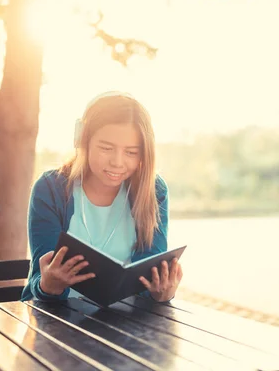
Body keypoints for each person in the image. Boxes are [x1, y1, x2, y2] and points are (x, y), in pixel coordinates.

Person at [20, 91, 183, 303]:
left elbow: (149, 282)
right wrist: (49, 285)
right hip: (57, 317)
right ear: (83, 141)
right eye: (106, 148)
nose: (117, 162)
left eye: (131, 152)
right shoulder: (50, 189)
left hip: (124, 323)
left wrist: (161, 293)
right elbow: (40, 280)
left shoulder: (153, 190)